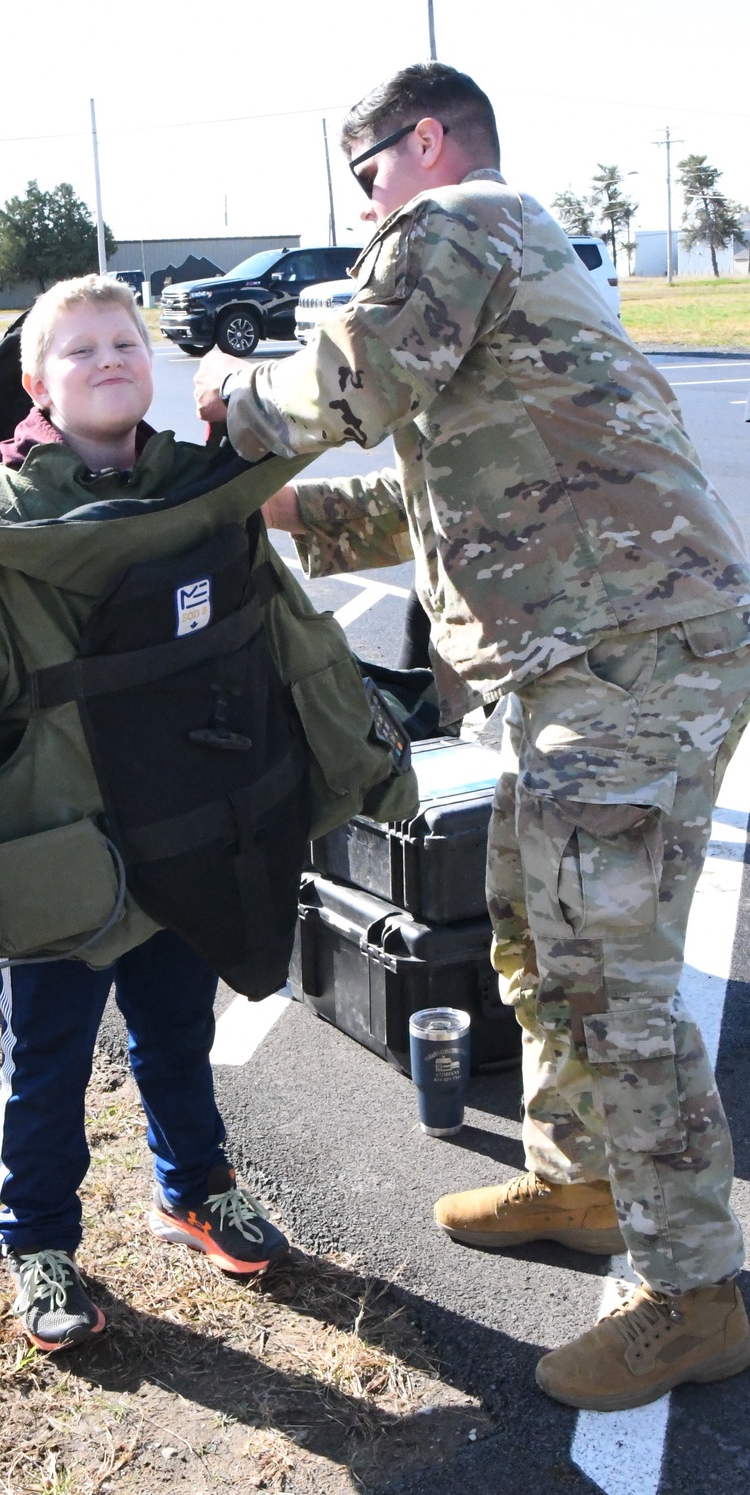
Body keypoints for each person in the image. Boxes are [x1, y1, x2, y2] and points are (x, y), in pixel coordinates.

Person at [194, 61, 750, 1412]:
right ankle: (583, 1179)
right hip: (585, 667)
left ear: (424, 143)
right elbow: (438, 505)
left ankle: (694, 1291)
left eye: (368, 170)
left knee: (612, 974)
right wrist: (271, 518)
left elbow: (343, 383)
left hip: (627, 664)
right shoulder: (499, 269)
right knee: (530, 924)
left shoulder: (461, 221)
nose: (365, 203)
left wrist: (226, 394)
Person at [0, 274, 415, 1353]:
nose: (108, 358)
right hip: (57, 874)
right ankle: (38, 1239)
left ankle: (194, 1188)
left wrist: (375, 764)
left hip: (184, 847)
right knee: (47, 1068)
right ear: (32, 383)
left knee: (175, 1039)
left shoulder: (202, 505)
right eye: (79, 348)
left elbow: (298, 645)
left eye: (125, 340)